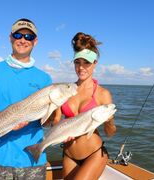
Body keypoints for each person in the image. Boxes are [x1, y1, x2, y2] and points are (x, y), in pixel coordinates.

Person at [0, 18, 52, 180]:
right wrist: (10, 119)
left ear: (35, 41)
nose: (23, 40)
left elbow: (48, 122)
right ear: (10, 37)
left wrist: (57, 113)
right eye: (18, 35)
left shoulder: (44, 79)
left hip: (32, 161)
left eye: (28, 37)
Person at [52, 32, 117, 180]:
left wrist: (109, 121)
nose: (81, 67)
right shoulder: (64, 91)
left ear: (95, 63)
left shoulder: (102, 94)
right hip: (69, 154)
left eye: (86, 63)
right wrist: (59, 133)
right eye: (77, 62)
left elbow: (110, 133)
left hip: (93, 154)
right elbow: (56, 120)